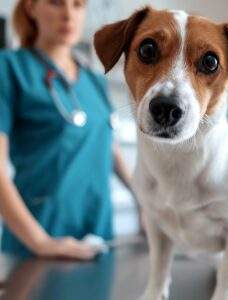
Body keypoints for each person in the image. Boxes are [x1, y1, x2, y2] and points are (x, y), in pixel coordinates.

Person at [0, 0, 134, 259]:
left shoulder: (95, 80)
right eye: (56, 3)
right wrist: (42, 243)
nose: (68, 15)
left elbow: (108, 146)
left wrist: (143, 201)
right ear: (31, 8)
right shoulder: (9, 69)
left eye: (78, 4)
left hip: (98, 233)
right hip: (38, 237)